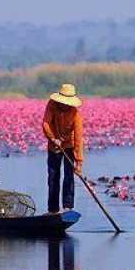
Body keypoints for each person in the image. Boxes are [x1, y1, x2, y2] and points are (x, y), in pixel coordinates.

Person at [42, 83, 83, 214]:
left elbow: (78, 137)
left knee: (69, 176)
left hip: (69, 145)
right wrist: (53, 138)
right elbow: (46, 123)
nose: (66, 105)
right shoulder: (52, 105)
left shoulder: (75, 113)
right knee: (53, 176)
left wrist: (79, 162)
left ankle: (68, 207)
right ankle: (53, 209)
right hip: (53, 145)